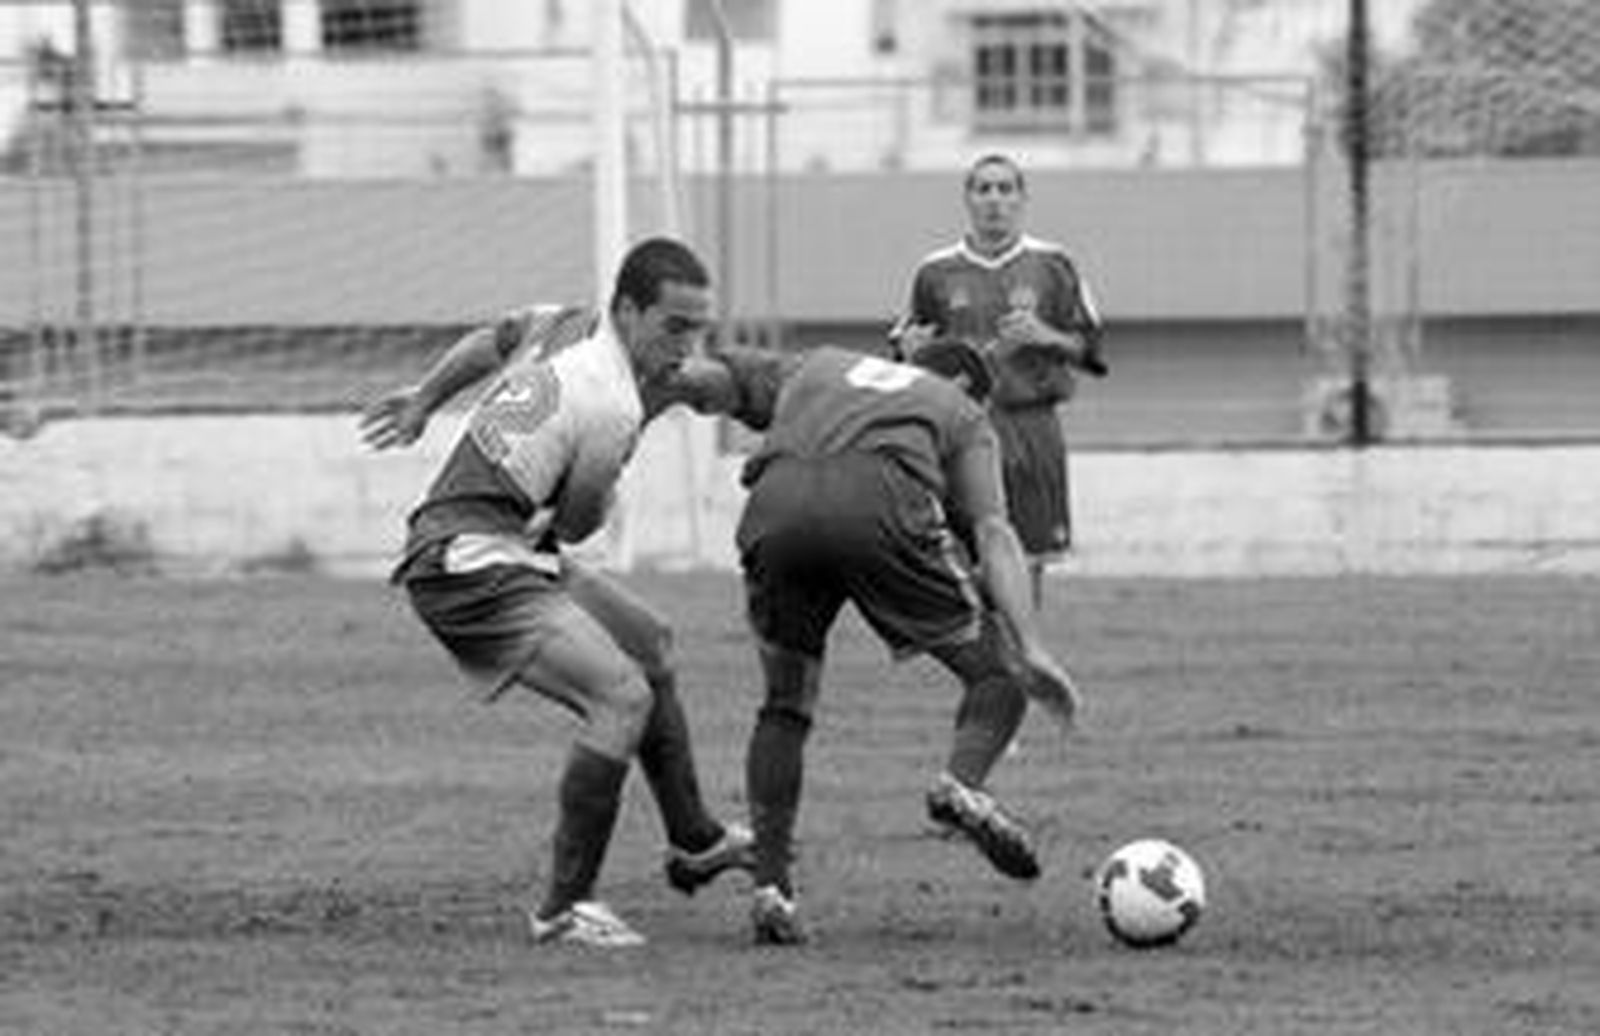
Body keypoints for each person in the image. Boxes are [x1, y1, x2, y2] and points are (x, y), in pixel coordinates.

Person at [357, 238, 752, 949]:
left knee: (650, 644)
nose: (686, 346)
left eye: (697, 329)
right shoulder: (611, 403)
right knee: (621, 697)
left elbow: (492, 341)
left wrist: (424, 400)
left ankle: (694, 838)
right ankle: (565, 908)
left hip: (497, 543)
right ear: (627, 311)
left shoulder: (563, 322)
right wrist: (599, 490)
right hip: (472, 563)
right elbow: (576, 524)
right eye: (673, 327)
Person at [668, 340, 1082, 946]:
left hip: (777, 508)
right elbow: (994, 531)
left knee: (785, 706)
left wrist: (649, 380)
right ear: (968, 388)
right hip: (881, 501)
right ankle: (962, 783)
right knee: (998, 673)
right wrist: (1032, 646)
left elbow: (715, 381)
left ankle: (772, 890)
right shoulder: (963, 413)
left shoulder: (821, 363)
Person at [891, 153, 1107, 610]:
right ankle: (984, 654)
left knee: (1027, 561)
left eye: (1005, 188)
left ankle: (1023, 650)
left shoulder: (1054, 264)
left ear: (1022, 199)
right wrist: (909, 353)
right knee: (963, 560)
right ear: (967, 199)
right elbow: (906, 355)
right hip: (960, 430)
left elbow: (1092, 354)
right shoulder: (934, 271)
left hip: (1031, 428)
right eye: (983, 189)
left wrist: (1045, 335)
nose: (994, 199)